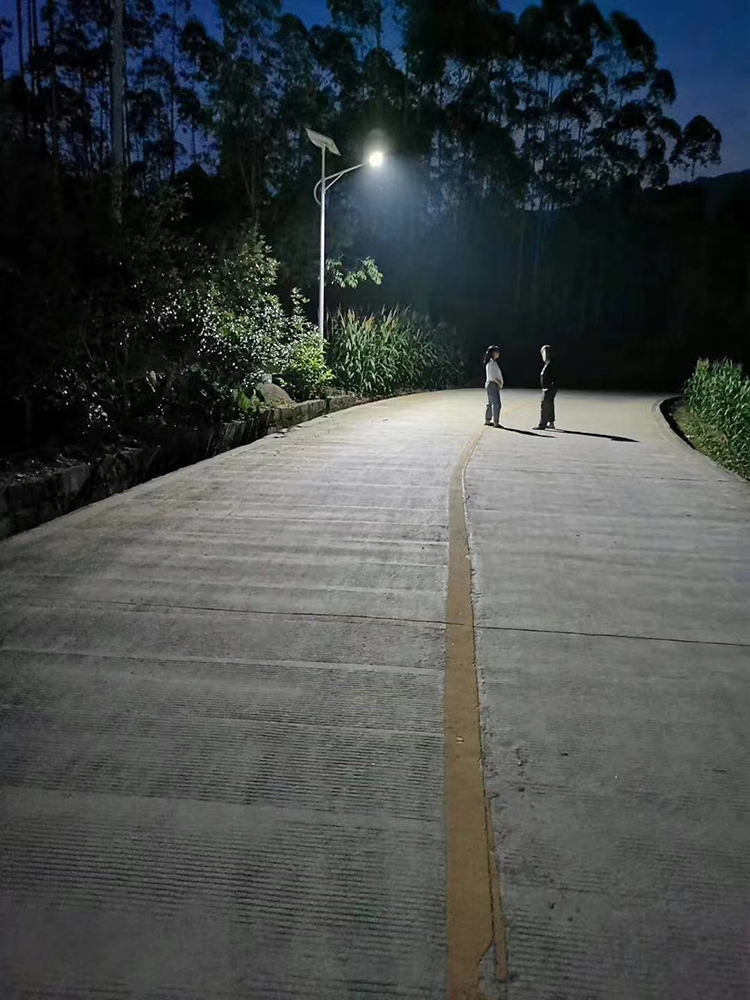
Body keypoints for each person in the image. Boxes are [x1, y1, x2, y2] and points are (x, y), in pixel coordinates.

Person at [534, 344, 557, 430]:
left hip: (548, 387)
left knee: (545, 406)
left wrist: (550, 385)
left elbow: (553, 376)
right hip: (549, 387)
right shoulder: (549, 363)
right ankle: (551, 423)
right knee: (550, 405)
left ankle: (542, 424)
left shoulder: (550, 364)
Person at [484, 346, 504, 428]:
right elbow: (493, 377)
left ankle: (488, 420)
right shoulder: (491, 363)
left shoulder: (491, 363)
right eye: (497, 351)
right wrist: (499, 383)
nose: (498, 353)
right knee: (496, 404)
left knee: (491, 403)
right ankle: (496, 422)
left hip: (491, 384)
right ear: (493, 353)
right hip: (492, 384)